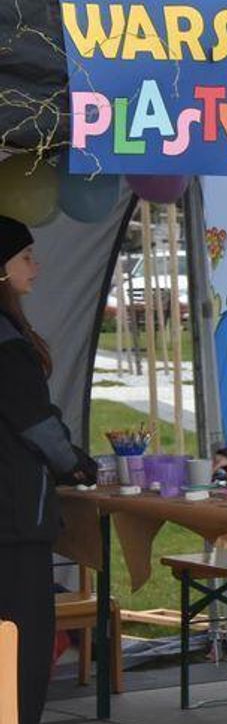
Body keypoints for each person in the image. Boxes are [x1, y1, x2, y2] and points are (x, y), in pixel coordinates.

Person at [0, 216, 98, 724]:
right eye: (25, 257)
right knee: (21, 646)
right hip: (13, 522)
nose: (36, 267)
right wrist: (78, 465)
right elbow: (36, 424)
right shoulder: (8, 345)